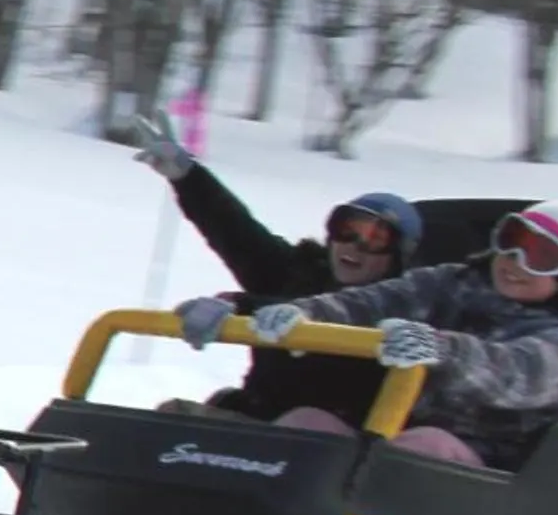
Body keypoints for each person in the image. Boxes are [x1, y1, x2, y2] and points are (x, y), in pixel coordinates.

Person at [174, 199, 558, 469]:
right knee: (307, 425)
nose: (516, 260)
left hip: (482, 467)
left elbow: (512, 374)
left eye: (542, 255)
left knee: (419, 452)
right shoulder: (450, 283)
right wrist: (299, 313)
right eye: (512, 238)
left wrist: (441, 349)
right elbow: (370, 303)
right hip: (381, 435)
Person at [134, 108, 423, 424]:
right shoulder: (298, 273)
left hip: (330, 443)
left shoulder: (400, 306)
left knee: (302, 420)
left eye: (376, 238)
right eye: (347, 229)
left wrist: (243, 305)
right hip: (259, 422)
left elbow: (320, 319)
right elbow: (236, 232)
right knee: (171, 419)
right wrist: (188, 177)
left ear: (397, 255)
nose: (355, 245)